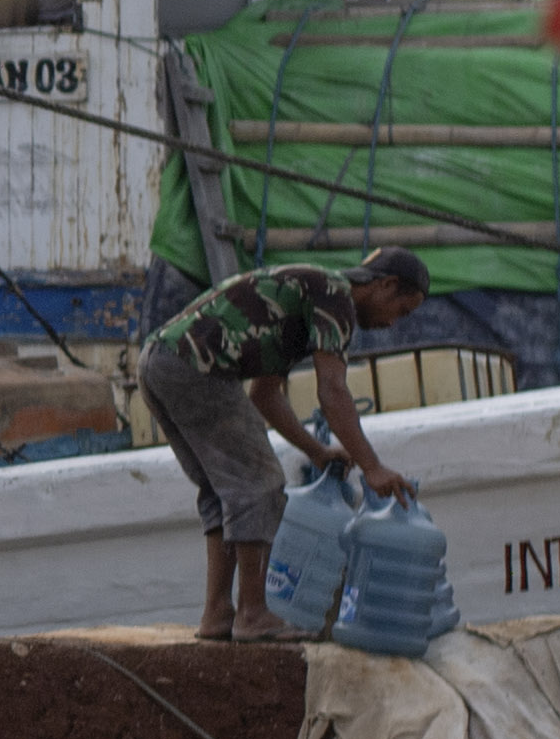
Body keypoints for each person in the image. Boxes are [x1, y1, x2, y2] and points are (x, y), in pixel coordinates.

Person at [140, 245, 433, 640]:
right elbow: (332, 390)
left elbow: (265, 394)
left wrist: (317, 451)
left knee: (220, 488)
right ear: (386, 285)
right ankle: (254, 614)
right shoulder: (336, 296)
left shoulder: (304, 297)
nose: (393, 324)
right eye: (401, 311)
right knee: (260, 485)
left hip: (159, 362)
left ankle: (218, 614)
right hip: (196, 366)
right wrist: (373, 467)